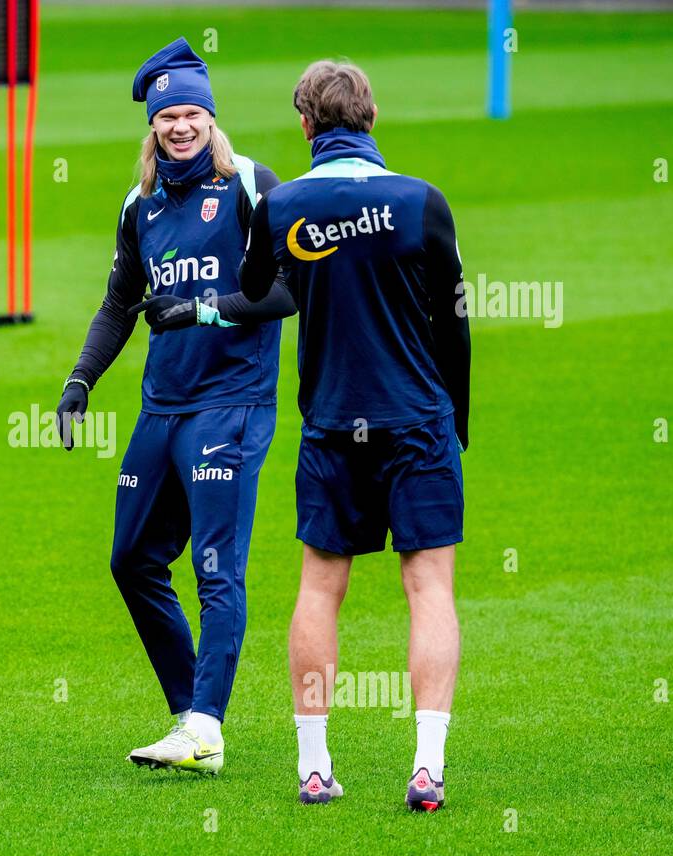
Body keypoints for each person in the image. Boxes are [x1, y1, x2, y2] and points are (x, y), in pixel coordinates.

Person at [56, 38, 295, 776]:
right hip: (162, 408)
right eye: (168, 117)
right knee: (131, 560)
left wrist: (203, 309)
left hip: (233, 403)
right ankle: (190, 710)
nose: (180, 127)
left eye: (192, 114)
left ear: (211, 118)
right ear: (153, 126)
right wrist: (80, 381)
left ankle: (204, 728)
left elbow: (289, 289)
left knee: (216, 566)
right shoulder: (141, 205)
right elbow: (120, 303)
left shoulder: (254, 184)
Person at [237, 60, 470, 810]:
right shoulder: (422, 200)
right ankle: (427, 767)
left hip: (333, 422)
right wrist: (457, 415)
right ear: (372, 118)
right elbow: (455, 319)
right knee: (427, 586)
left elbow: (251, 290)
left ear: (306, 124)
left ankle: (314, 766)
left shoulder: (283, 205)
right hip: (417, 420)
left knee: (319, 587)